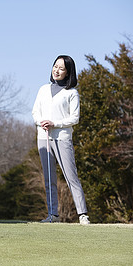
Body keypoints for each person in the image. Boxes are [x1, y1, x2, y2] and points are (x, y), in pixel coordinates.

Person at [32, 55, 90, 225]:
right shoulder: (43, 89)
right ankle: (52, 214)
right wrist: (41, 122)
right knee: (49, 177)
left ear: (68, 72)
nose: (57, 70)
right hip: (43, 137)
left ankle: (83, 214)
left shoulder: (71, 93)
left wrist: (55, 123)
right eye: (55, 66)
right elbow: (35, 112)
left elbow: (75, 118)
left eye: (61, 68)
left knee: (71, 176)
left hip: (62, 138)